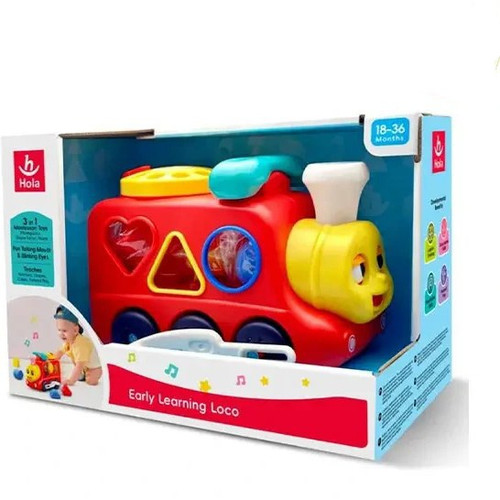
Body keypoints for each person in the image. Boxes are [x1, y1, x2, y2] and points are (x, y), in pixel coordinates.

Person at [52, 306, 102, 386]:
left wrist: (71, 380)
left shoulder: (80, 345)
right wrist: (50, 360)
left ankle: (89, 373)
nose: (61, 334)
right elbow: (60, 352)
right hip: (84, 366)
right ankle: (82, 373)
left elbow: (79, 365)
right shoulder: (68, 342)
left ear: (75, 330)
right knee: (76, 362)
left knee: (91, 381)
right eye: (59, 330)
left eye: (64, 331)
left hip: (95, 366)